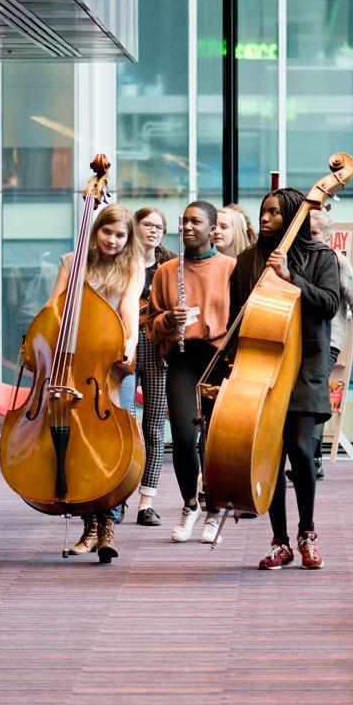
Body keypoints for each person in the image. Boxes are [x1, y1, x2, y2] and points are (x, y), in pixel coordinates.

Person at [229, 188, 340, 570]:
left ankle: (307, 532)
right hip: (259, 371)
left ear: (293, 216)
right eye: (263, 212)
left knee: (300, 448)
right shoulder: (247, 260)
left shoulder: (321, 257)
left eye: (275, 213)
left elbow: (329, 304)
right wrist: (232, 367)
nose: (265, 218)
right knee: (269, 455)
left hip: (306, 365)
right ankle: (280, 541)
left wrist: (290, 277)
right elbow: (236, 319)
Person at [58, 204, 144, 561]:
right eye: (107, 232)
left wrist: (130, 343)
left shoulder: (132, 265)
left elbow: (128, 308)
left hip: (111, 365)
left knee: (113, 444)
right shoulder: (72, 261)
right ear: (95, 231)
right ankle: (90, 526)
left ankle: (106, 524)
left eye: (120, 235)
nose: (113, 240)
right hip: (75, 362)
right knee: (79, 445)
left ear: (128, 239)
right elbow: (56, 308)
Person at [147, 201, 236, 544]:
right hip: (183, 356)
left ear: (213, 229)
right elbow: (152, 325)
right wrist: (169, 319)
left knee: (215, 439)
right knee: (184, 438)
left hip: (218, 358)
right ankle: (189, 504)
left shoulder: (231, 267)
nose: (185, 227)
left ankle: (214, 508)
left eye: (195, 222)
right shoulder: (168, 270)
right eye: (183, 222)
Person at [309, 209, 353, 478]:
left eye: (314, 234)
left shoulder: (338, 262)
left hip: (330, 340)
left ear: (328, 237)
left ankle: (314, 457)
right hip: (305, 339)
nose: (310, 239)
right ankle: (310, 455)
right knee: (309, 396)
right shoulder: (300, 259)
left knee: (315, 394)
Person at [132, 207, 176, 525]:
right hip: (122, 351)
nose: (153, 231)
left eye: (159, 226)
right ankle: (116, 494)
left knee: (154, 429)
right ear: (135, 227)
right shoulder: (122, 262)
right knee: (121, 425)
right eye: (148, 225)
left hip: (157, 351)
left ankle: (146, 501)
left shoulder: (171, 264)